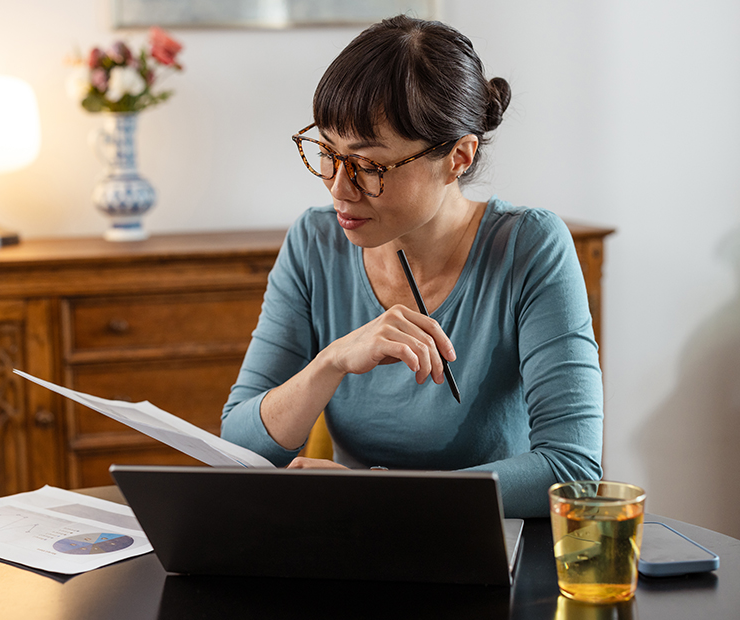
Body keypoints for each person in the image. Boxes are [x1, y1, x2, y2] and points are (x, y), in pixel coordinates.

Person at [221, 15, 603, 517]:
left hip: (483, 552)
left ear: (459, 157)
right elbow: (238, 445)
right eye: (329, 154)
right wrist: (331, 361)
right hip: (349, 547)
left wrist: (385, 498)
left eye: (371, 166)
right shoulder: (315, 240)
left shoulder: (529, 247)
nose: (339, 188)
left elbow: (572, 471)